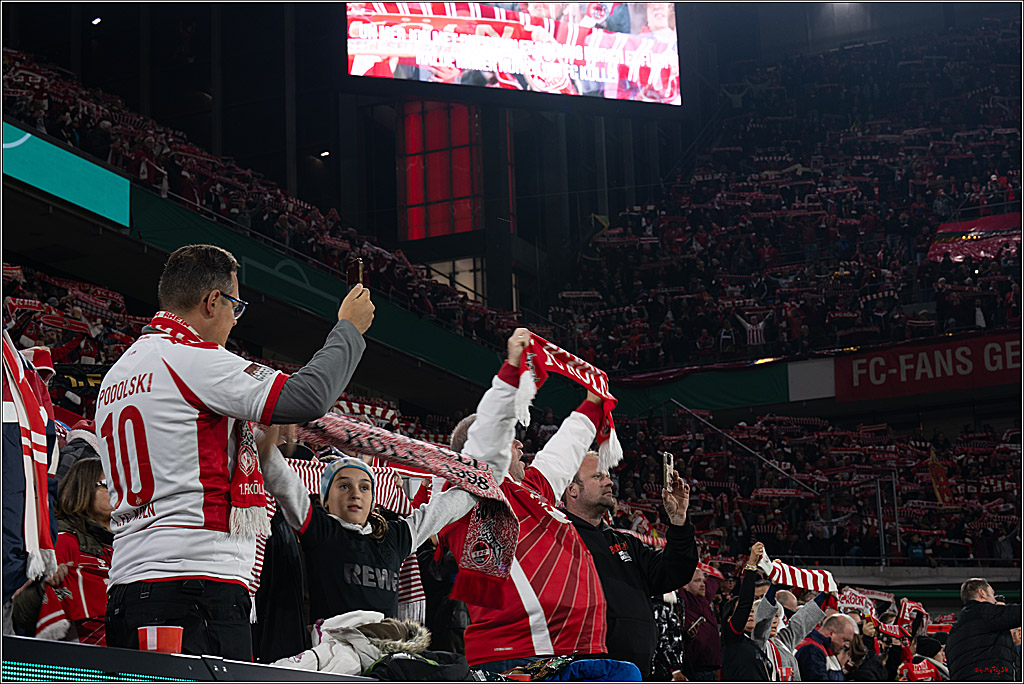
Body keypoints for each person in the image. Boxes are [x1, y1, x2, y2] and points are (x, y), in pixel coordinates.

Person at [97, 244, 374, 660]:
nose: (233, 320)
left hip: (130, 589)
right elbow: (309, 395)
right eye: (235, 307)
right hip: (195, 589)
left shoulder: (119, 372)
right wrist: (348, 331)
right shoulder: (193, 359)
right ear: (212, 301)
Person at [439, 332, 608, 673]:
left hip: (571, 647)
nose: (520, 448)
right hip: (520, 652)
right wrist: (513, 373)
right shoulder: (467, 488)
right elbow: (488, 438)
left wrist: (593, 402)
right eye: (513, 441)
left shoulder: (529, 491)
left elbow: (562, 454)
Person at [562, 455, 698, 676]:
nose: (609, 482)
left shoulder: (625, 542)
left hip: (639, 672)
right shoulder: (557, 539)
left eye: (608, 476)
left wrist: (679, 521)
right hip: (586, 671)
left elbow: (675, 572)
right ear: (572, 489)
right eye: (598, 476)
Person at [946, 578, 1021, 681]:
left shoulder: (954, 631)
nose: (995, 600)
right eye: (992, 594)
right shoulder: (984, 612)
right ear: (982, 593)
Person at [754, 582, 831, 681]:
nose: (773, 620)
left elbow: (801, 622)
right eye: (770, 617)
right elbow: (763, 621)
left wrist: (824, 595)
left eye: (776, 616)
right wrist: (773, 588)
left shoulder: (780, 641)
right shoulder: (755, 642)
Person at [720, 542, 771, 681]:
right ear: (730, 619)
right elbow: (745, 604)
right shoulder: (731, 640)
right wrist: (751, 565)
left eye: (752, 611)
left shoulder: (753, 643)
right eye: (743, 612)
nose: (749, 613)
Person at [680, 566, 722, 681]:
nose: (703, 584)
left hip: (713, 669)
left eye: (703, 581)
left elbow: (715, 580)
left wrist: (714, 567)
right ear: (684, 585)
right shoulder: (684, 600)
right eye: (697, 581)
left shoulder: (704, 599)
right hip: (696, 670)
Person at [795, 613, 856, 681]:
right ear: (831, 633)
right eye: (845, 640)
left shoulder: (826, 649)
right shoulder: (812, 650)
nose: (847, 645)